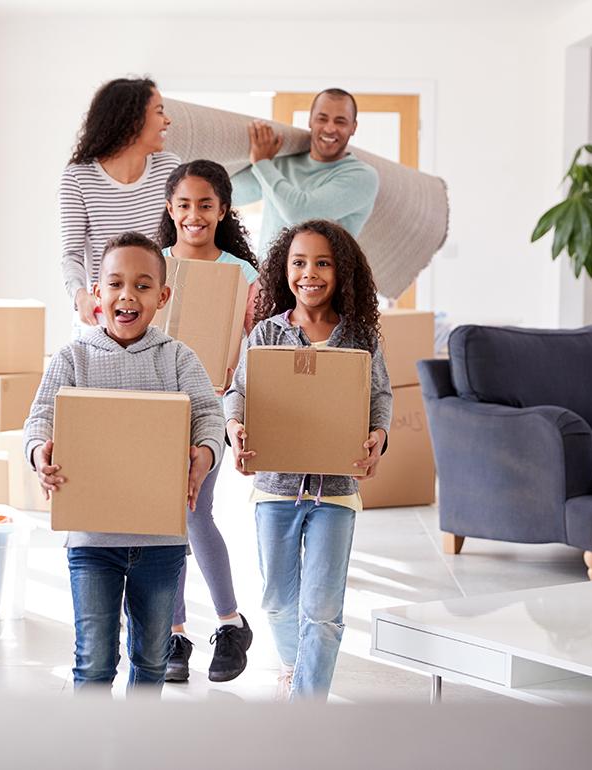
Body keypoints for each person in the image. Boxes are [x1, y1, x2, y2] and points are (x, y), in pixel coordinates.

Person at [24, 232, 224, 694]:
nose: (127, 295)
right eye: (115, 284)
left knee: (151, 661)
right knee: (93, 660)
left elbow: (209, 416)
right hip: (92, 541)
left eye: (142, 285)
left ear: (163, 296)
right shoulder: (73, 358)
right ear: (97, 292)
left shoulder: (177, 358)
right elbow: (38, 420)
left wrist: (206, 453)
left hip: (160, 543)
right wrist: (40, 454)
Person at [222, 219, 392, 702]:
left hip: (336, 491)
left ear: (342, 273)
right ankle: (295, 668)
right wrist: (235, 429)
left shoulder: (359, 337)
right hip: (275, 488)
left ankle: (306, 705)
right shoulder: (266, 334)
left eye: (323, 263)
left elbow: (379, 396)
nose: (309, 273)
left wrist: (378, 434)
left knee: (322, 609)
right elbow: (240, 393)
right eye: (299, 262)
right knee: (278, 601)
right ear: (285, 270)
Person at [154, 159, 259, 683]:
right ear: (170, 209)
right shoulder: (152, 265)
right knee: (164, 518)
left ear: (222, 211)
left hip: (211, 407)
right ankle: (174, 636)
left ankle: (229, 623)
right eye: (184, 205)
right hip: (152, 408)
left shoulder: (242, 275)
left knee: (194, 511)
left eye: (205, 205)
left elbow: (258, 351)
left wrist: (242, 418)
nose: (194, 215)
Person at [60, 78, 180, 336]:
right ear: (132, 119)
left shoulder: (169, 168)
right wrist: (81, 296)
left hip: (155, 316)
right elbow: (71, 254)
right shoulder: (78, 177)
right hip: (102, 317)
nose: (167, 120)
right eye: (159, 111)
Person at [231, 88, 379, 257]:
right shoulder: (280, 162)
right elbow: (232, 194)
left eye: (340, 121)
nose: (330, 128)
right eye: (322, 119)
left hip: (320, 281)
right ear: (310, 121)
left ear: (353, 127)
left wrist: (261, 162)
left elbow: (301, 215)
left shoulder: (362, 177)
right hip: (267, 280)